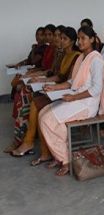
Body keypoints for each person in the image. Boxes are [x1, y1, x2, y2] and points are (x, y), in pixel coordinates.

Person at [39, 26, 104, 176]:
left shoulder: (96, 59)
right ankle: (60, 153)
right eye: (79, 38)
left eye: (83, 38)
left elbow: (96, 89)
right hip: (77, 97)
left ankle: (66, 160)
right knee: (42, 113)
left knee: (47, 120)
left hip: (88, 103)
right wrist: (54, 88)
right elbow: (72, 82)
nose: (80, 41)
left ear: (92, 39)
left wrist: (73, 97)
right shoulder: (82, 57)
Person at [12, 27, 81, 164]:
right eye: (60, 37)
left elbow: (70, 81)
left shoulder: (76, 56)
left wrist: (51, 85)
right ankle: (29, 141)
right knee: (33, 99)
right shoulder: (64, 54)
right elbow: (56, 74)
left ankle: (32, 143)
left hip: (67, 91)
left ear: (72, 41)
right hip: (57, 87)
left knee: (36, 103)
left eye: (64, 38)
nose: (60, 40)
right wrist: (43, 80)